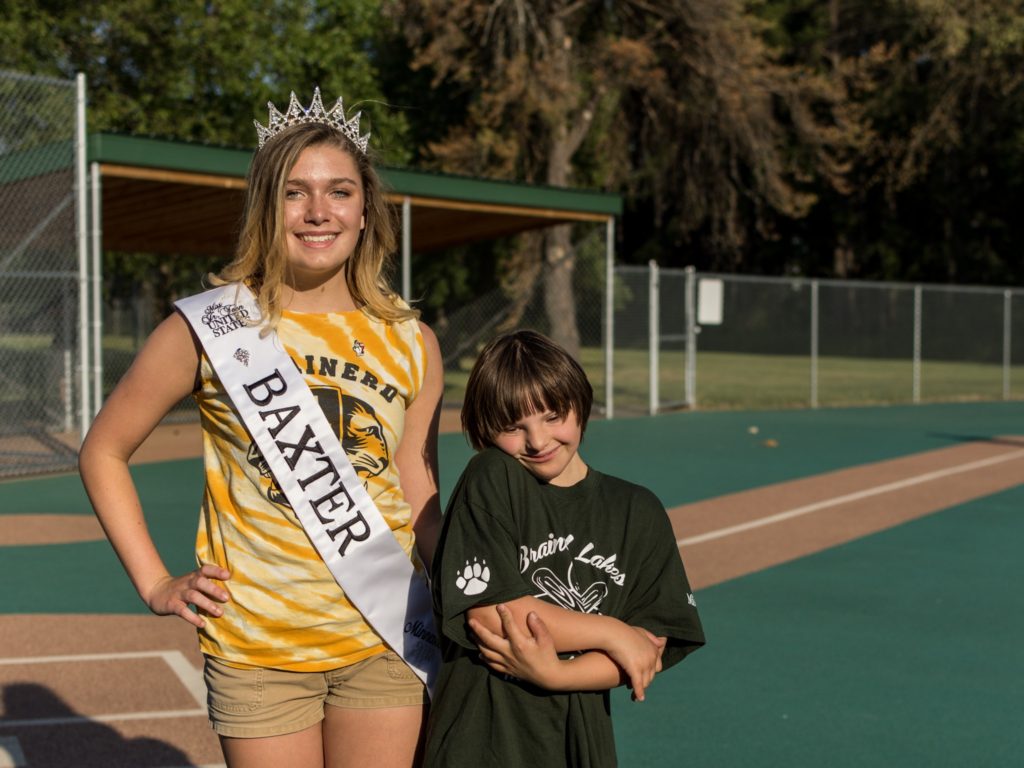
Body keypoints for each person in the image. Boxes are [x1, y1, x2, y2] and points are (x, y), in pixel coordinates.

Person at [79, 89, 443, 768]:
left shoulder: (412, 340)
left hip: (387, 636)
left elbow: (416, 480)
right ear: (265, 209)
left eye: (338, 191)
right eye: (294, 193)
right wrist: (156, 583)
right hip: (258, 650)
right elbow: (104, 450)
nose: (317, 212)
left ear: (366, 211)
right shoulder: (210, 325)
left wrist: (462, 583)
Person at [424, 330, 705, 767]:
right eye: (513, 427)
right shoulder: (492, 477)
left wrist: (557, 673)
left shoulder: (636, 509)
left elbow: (647, 650)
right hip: (482, 741)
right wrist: (613, 633)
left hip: (579, 746)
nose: (537, 441)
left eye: (553, 416)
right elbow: (492, 616)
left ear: (580, 403)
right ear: (484, 430)